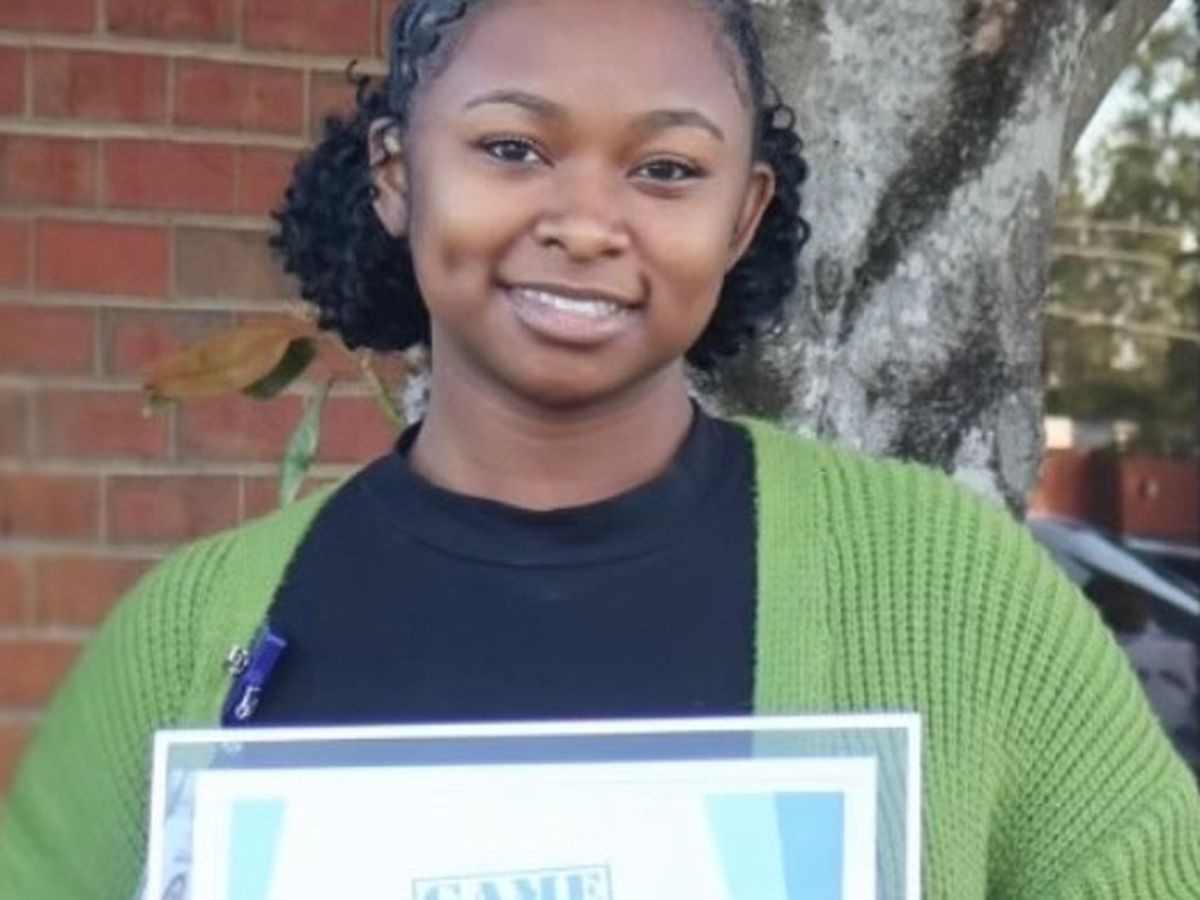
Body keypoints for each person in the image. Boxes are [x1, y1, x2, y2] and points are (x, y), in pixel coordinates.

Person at [2, 0, 1199, 897]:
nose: (585, 224)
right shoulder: (187, 638)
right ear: (397, 177)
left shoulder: (949, 593)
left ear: (742, 216)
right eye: (512, 148)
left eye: (666, 170)